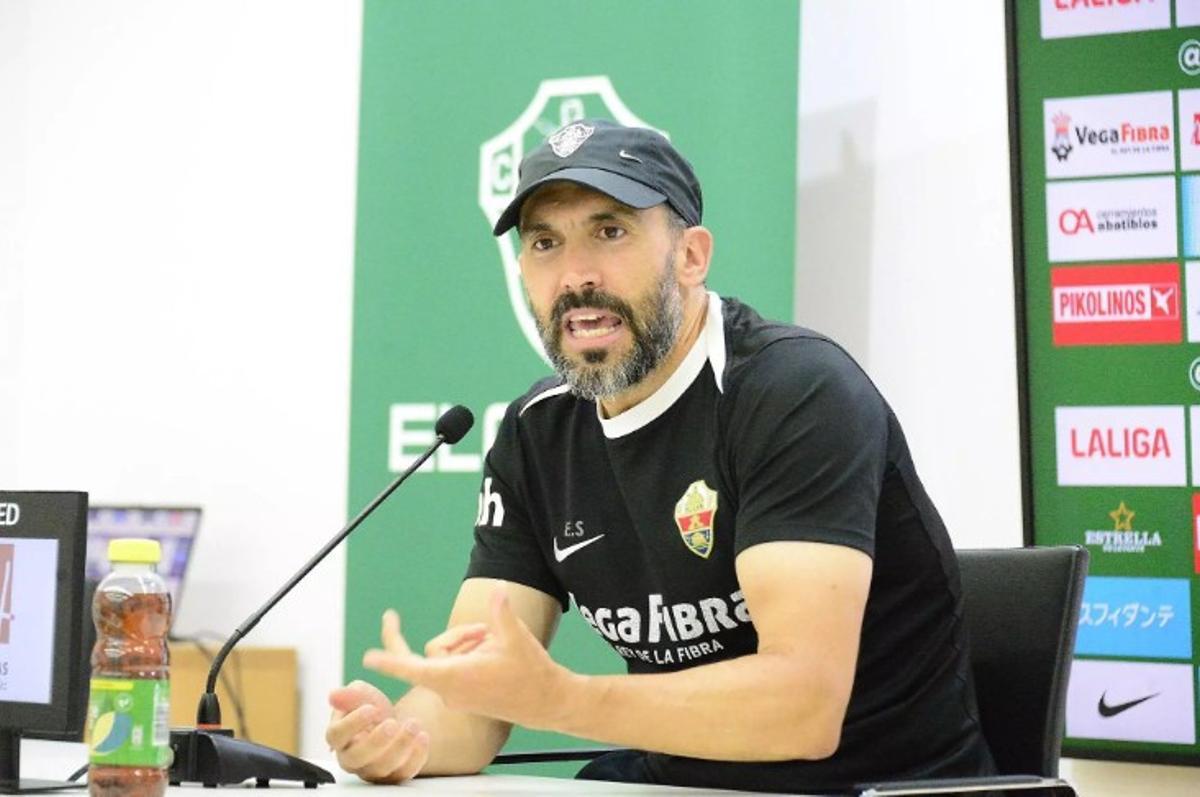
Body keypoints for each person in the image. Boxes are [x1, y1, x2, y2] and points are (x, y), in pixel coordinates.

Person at [325, 119, 996, 793]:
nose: (575, 275)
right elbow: (474, 695)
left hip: (874, 785)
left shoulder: (794, 391)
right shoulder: (537, 432)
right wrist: (402, 735)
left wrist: (560, 698)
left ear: (691, 256)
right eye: (544, 242)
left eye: (609, 232)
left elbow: (802, 708)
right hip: (675, 784)